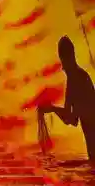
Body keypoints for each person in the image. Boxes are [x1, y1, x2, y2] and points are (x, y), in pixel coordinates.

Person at [39, 36, 95, 165]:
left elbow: (71, 119)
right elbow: (71, 118)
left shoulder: (78, 78)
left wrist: (52, 109)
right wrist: (51, 109)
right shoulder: (76, 77)